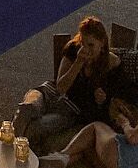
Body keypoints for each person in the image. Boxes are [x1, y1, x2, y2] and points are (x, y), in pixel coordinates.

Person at [12, 16, 120, 151]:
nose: (85, 49)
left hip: (69, 109)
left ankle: (20, 153)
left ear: (102, 42)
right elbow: (60, 87)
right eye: (83, 43)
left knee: (37, 127)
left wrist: (101, 99)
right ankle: (9, 146)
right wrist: (78, 62)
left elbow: (112, 94)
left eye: (91, 45)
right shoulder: (73, 50)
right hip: (48, 92)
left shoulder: (109, 63)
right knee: (27, 109)